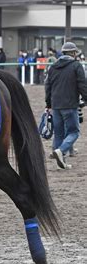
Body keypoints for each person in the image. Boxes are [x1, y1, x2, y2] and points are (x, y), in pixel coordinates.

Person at [45, 41, 87, 169]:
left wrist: (48, 104)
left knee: (59, 134)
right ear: (73, 53)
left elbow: (48, 86)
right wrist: (85, 99)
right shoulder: (76, 65)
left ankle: (61, 162)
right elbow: (82, 85)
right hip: (70, 104)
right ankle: (61, 150)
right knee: (74, 132)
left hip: (56, 105)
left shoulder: (53, 67)